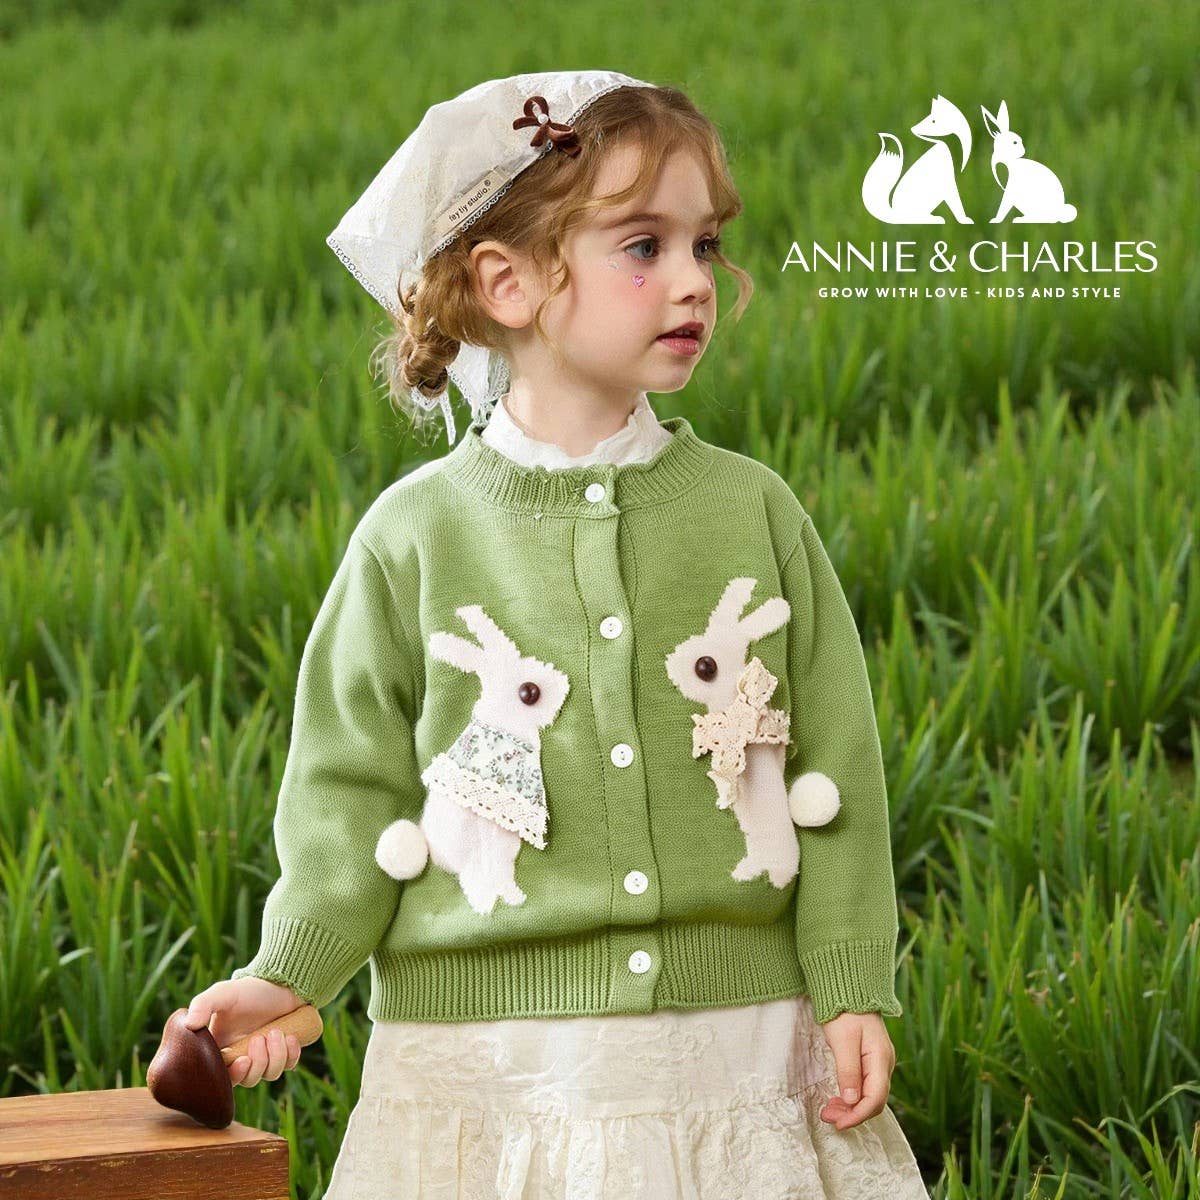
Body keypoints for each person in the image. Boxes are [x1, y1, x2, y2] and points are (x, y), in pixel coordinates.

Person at [183, 70, 931, 1198]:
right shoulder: (415, 537)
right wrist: (293, 972)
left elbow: (837, 758)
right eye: (644, 246)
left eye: (706, 245)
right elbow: (349, 787)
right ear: (512, 282)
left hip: (738, 1049)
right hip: (491, 1074)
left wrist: (848, 979)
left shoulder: (751, 510)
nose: (694, 281)